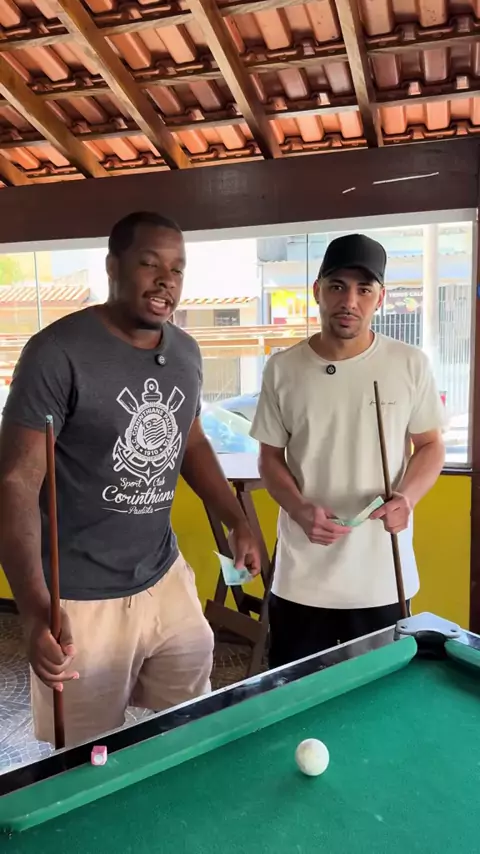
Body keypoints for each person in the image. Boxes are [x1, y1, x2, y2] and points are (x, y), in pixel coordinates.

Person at [0, 211, 261, 746]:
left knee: (190, 720)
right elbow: (17, 484)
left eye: (177, 269)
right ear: (112, 266)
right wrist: (33, 609)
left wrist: (236, 520)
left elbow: (191, 441)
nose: (166, 280)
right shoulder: (56, 354)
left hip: (163, 576)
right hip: (81, 594)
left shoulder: (185, 352)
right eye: (149, 264)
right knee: (86, 755)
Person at [250, 233, 445, 668]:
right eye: (337, 286)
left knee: (382, 693)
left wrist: (408, 498)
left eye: (364, 289)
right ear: (317, 290)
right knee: (296, 694)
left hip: (383, 576)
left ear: (381, 298)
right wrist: (299, 508)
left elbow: (431, 445)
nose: (349, 301)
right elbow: (270, 457)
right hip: (302, 578)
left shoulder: (409, 364)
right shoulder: (283, 368)